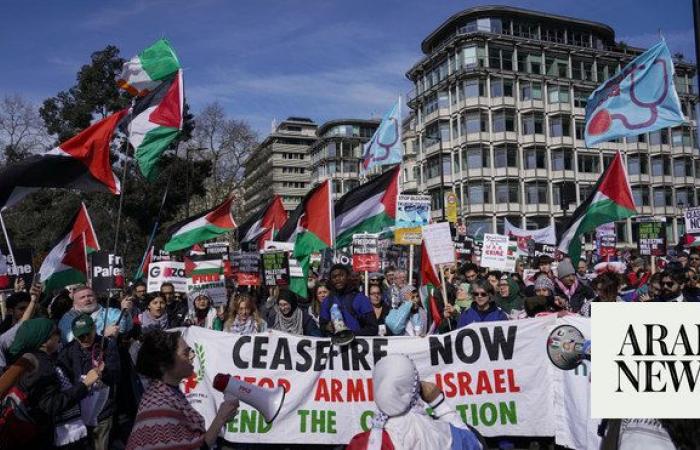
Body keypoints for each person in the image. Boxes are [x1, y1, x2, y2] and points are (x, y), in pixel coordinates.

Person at [126, 330, 239, 450]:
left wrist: (222, 417)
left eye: (190, 350)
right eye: (185, 353)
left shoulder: (168, 392)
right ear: (164, 364)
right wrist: (221, 417)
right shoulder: (160, 410)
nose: (193, 355)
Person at [346, 354, 482, 450]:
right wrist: (439, 404)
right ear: (416, 387)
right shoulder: (444, 433)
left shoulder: (365, 443)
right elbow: (474, 444)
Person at [6, 318, 102, 449]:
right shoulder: (42, 366)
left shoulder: (28, 358)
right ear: (45, 340)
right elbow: (52, 404)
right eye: (56, 332)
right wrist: (85, 384)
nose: (59, 335)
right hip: (47, 435)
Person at [57, 314, 120, 450]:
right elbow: (64, 378)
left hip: (102, 410)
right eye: (81, 336)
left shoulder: (107, 344)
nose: (85, 339)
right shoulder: (67, 351)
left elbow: (116, 374)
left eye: (88, 334)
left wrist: (105, 372)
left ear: (94, 329)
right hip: (80, 408)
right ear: (74, 335)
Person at [58, 286, 132, 344]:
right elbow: (69, 338)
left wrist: (125, 312)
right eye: (82, 297)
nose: (87, 299)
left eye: (90, 296)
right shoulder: (68, 317)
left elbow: (123, 328)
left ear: (95, 298)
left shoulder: (110, 312)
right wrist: (102, 333)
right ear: (75, 303)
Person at [319, 264, 378, 337]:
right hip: (336, 345)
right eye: (334, 277)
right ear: (331, 280)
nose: (337, 279)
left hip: (356, 345)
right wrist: (326, 327)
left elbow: (373, 328)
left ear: (348, 277)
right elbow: (322, 327)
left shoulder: (361, 299)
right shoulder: (327, 301)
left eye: (341, 275)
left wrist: (350, 335)